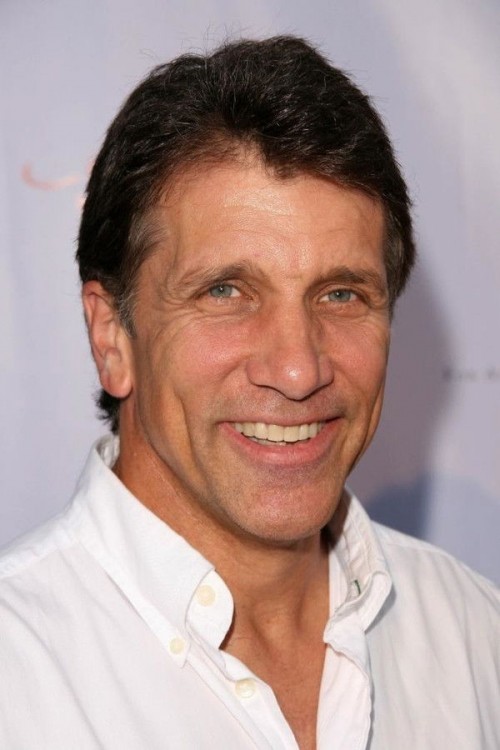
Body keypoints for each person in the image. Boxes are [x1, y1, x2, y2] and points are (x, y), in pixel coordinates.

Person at [0, 36, 498, 750]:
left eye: (341, 293)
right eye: (226, 291)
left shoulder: (476, 638)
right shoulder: (16, 677)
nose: (298, 370)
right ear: (112, 337)